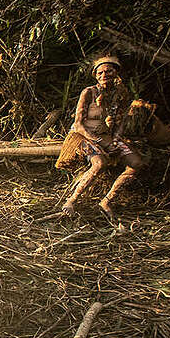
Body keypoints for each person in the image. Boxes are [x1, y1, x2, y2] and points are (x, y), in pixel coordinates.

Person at [59, 56, 144, 221]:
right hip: (83, 136)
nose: (105, 74)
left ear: (116, 73)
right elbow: (78, 124)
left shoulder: (120, 94)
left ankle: (106, 201)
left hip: (107, 136)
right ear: (96, 76)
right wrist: (97, 141)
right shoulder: (89, 93)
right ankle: (71, 200)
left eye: (109, 71)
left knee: (137, 163)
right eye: (100, 72)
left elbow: (122, 121)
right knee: (100, 163)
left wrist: (116, 139)